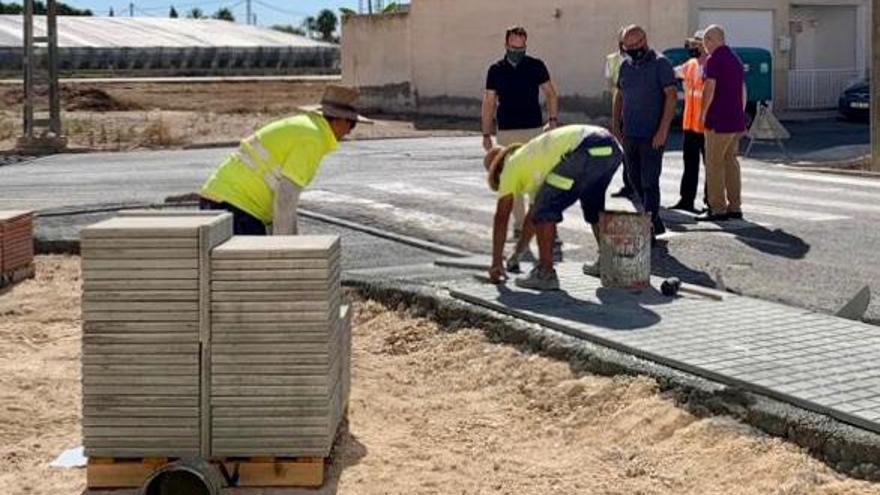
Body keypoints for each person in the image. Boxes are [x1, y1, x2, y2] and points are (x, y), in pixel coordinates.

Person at [199, 85, 371, 235]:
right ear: (338, 120)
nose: (350, 131)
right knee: (252, 269)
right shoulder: (313, 139)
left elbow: (286, 198)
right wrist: (286, 248)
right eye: (351, 124)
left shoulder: (307, 127)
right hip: (237, 208)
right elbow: (286, 197)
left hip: (224, 201)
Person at [484, 125, 624, 290]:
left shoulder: (510, 166)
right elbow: (532, 217)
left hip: (585, 147)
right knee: (592, 206)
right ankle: (608, 264)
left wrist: (496, 262)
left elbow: (501, 217)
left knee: (546, 210)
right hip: (610, 147)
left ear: (498, 171)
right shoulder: (532, 158)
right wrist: (517, 253)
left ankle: (545, 273)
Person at [482, 25, 559, 242]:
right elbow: (488, 102)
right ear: (506, 45)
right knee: (512, 181)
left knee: (538, 179)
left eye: (522, 46)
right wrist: (486, 133)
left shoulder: (535, 66)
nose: (518, 50)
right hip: (506, 131)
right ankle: (519, 225)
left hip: (533, 130)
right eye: (514, 46)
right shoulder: (495, 70)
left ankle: (544, 222)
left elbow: (551, 94)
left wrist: (552, 121)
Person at [612, 25, 677, 240]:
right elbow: (619, 95)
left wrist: (663, 130)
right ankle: (654, 221)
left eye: (635, 45)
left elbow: (671, 97)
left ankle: (648, 225)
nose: (632, 49)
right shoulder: (625, 66)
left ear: (644, 41)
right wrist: (615, 124)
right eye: (627, 46)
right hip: (630, 132)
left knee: (650, 181)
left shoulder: (661, 64)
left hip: (652, 134)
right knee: (633, 179)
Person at [698, 25, 747, 222]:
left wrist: (702, 114)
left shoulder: (714, 59)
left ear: (714, 39)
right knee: (731, 163)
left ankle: (717, 208)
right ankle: (735, 207)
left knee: (714, 164)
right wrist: (741, 113)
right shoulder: (735, 59)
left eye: (707, 39)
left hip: (718, 120)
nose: (705, 44)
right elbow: (743, 90)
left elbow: (709, 87)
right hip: (735, 120)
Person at [670, 30, 708, 213]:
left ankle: (711, 202)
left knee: (712, 167)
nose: (692, 48)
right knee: (690, 165)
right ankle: (686, 200)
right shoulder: (691, 64)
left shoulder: (712, 66)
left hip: (708, 126)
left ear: (704, 45)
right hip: (690, 125)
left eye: (695, 44)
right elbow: (672, 73)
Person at [606, 27, 636, 199]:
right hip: (620, 109)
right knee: (624, 150)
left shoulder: (640, 59)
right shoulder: (612, 60)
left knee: (635, 149)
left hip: (635, 110)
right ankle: (628, 184)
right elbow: (610, 84)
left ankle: (636, 185)